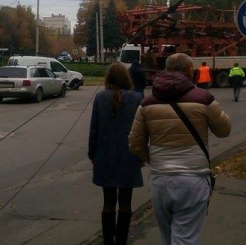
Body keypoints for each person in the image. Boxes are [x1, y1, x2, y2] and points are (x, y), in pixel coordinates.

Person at [129, 53, 231, 245]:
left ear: (166, 70)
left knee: (168, 239)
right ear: (189, 71)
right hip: (193, 180)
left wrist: (154, 160)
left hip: (161, 181)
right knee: (185, 240)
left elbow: (134, 143)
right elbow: (224, 130)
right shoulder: (203, 99)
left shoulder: (147, 103)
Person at [89, 63, 144, 245]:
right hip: (129, 156)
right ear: (126, 79)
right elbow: (141, 131)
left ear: (108, 79)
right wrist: (142, 155)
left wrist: (92, 154)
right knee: (126, 202)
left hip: (105, 156)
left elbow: (94, 130)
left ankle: (107, 241)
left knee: (108, 201)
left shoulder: (100, 98)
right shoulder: (137, 98)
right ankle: (121, 241)